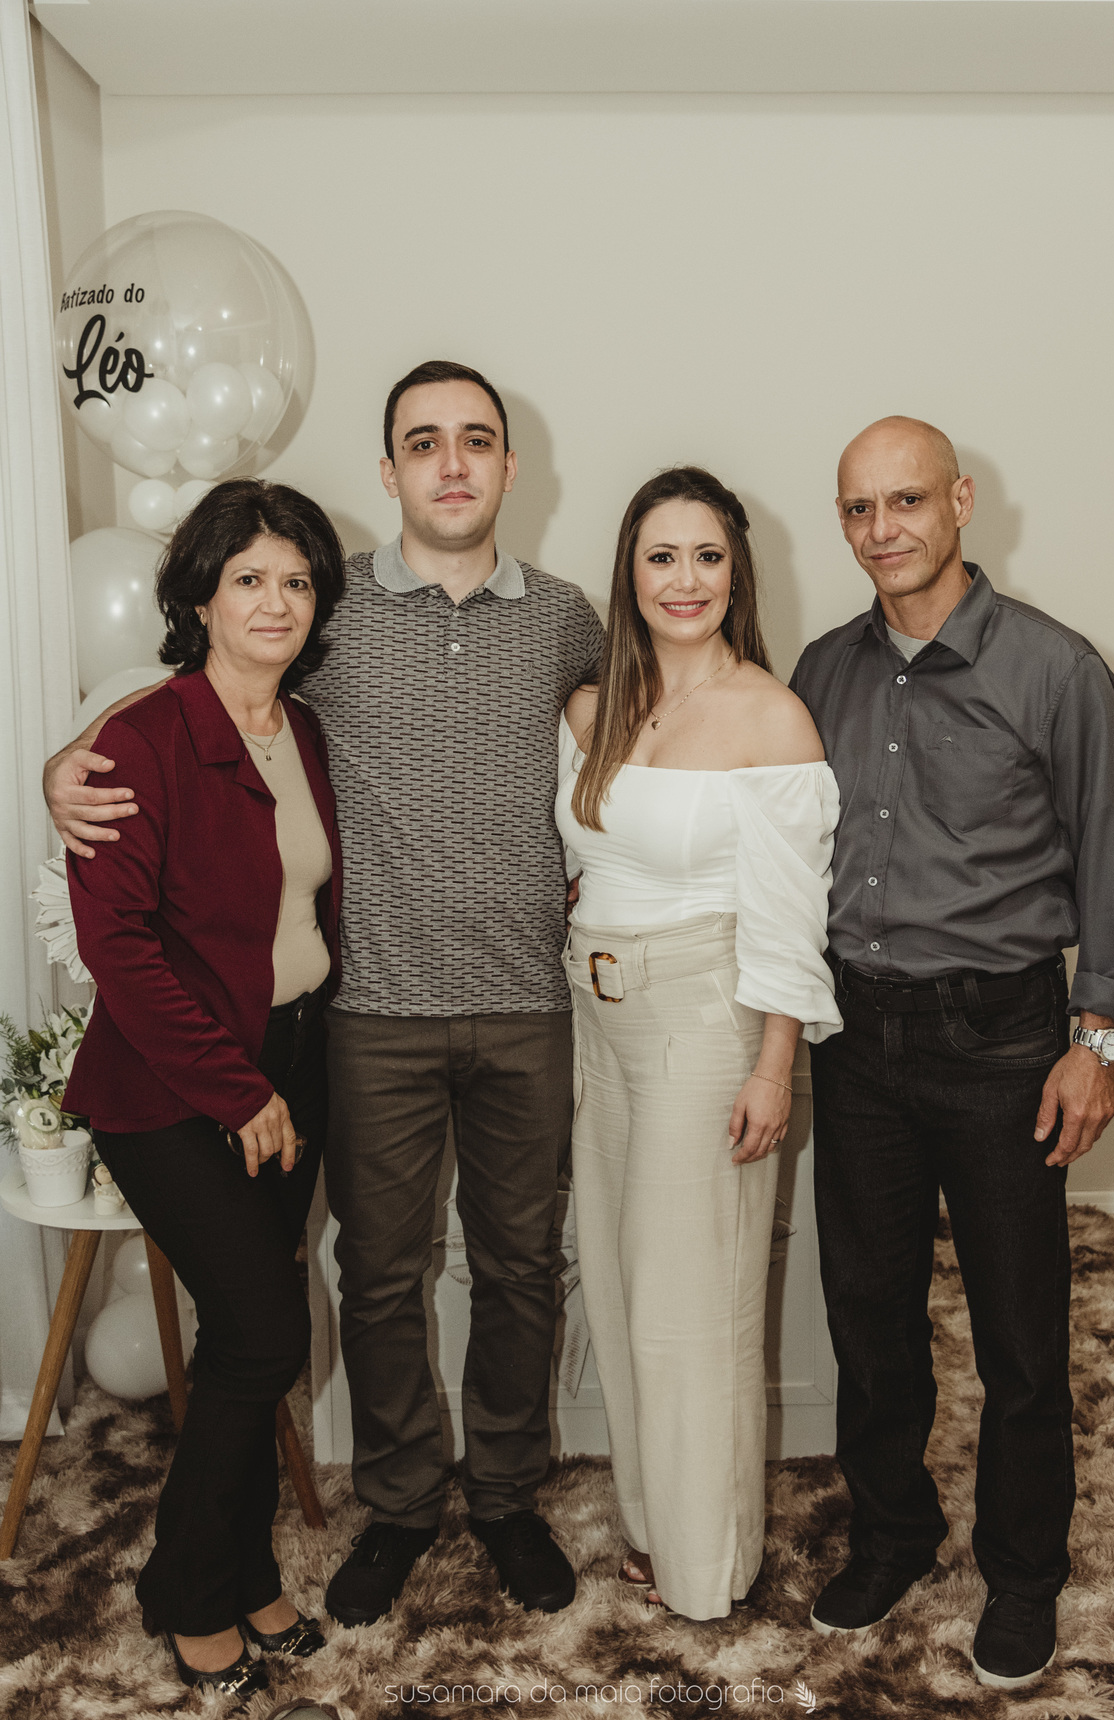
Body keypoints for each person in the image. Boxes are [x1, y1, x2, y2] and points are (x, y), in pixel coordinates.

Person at [49, 362, 604, 1625]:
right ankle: (400, 1504)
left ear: (511, 466)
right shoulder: (328, 609)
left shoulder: (567, 619)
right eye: (425, 441)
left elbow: (640, 736)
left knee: (523, 1266)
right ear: (390, 469)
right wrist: (57, 766)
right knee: (380, 1274)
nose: (452, 462)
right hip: (370, 1018)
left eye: (477, 440)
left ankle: (505, 1497)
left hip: (527, 1002)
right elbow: (188, 702)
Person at [792, 417, 1114, 1690]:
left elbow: (1111, 862)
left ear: (960, 501)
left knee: (1019, 1331)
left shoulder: (1055, 668)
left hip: (1003, 1039)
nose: (881, 529)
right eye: (858, 508)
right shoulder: (823, 669)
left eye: (905, 501)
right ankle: (893, 1532)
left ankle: (1024, 1571)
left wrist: (1094, 1040)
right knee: (868, 1314)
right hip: (858, 1035)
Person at [61, 479, 346, 1695]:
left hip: (294, 1059)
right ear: (200, 596)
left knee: (246, 1332)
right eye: (249, 579)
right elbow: (118, 949)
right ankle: (184, 1585)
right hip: (171, 1087)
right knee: (269, 1329)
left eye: (297, 580)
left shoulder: (306, 729)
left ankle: (241, 1567)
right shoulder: (142, 738)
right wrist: (237, 1091)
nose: (276, 602)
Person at [556, 467, 842, 1619]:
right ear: (629, 572)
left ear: (738, 573)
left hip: (705, 1021)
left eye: (708, 556)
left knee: (692, 1311)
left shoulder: (771, 716)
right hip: (597, 1021)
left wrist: (774, 1065)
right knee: (624, 1292)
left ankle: (709, 1566)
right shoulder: (592, 711)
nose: (686, 580)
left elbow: (791, 914)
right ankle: (653, 1525)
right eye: (662, 556)